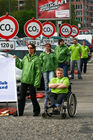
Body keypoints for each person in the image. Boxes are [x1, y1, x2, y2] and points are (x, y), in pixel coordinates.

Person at [13, 43, 41, 116]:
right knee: (22, 97)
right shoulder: (25, 57)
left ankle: (36, 111)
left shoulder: (37, 59)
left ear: (34, 49)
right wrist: (16, 60)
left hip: (32, 81)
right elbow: (21, 66)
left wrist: (37, 82)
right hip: (24, 80)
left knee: (33, 97)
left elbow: (38, 72)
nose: (29, 49)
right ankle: (20, 112)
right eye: (28, 48)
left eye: (31, 48)